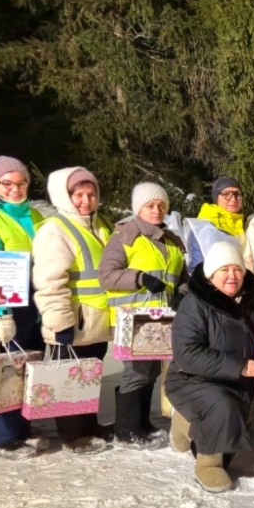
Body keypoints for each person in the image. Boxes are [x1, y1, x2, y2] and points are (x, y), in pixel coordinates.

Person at [164, 242, 254, 493]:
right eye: (224, 270)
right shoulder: (195, 303)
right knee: (223, 406)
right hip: (192, 378)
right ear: (211, 276)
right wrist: (242, 366)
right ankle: (208, 464)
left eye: (237, 269)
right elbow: (187, 354)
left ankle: (183, 421)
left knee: (231, 426)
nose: (232, 276)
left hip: (238, 379)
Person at [0, 156, 49, 461]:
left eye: (21, 183)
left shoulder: (37, 218)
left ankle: (22, 430)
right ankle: (3, 439)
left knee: (29, 367)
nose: (15, 189)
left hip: (37, 303)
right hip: (7, 304)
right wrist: (2, 314)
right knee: (7, 370)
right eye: (7, 184)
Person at [99, 182, 189, 450]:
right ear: (138, 208)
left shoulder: (171, 240)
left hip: (161, 319)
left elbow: (181, 277)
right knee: (135, 372)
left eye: (161, 205)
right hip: (133, 319)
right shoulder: (124, 237)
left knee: (150, 373)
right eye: (150, 205)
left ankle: (141, 424)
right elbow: (106, 275)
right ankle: (126, 430)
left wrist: (182, 292)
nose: (157, 210)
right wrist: (139, 278)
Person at [32, 167, 114, 454]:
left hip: (98, 319)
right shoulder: (55, 229)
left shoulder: (101, 223)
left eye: (91, 194)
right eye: (78, 194)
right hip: (73, 320)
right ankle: (72, 436)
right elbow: (49, 281)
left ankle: (89, 426)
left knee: (89, 375)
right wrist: (58, 322)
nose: (86, 200)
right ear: (64, 196)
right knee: (69, 377)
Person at [185, 176, 246, 271]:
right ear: (216, 197)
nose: (233, 199)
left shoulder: (243, 224)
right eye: (226, 194)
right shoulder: (205, 226)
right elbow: (197, 267)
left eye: (237, 194)